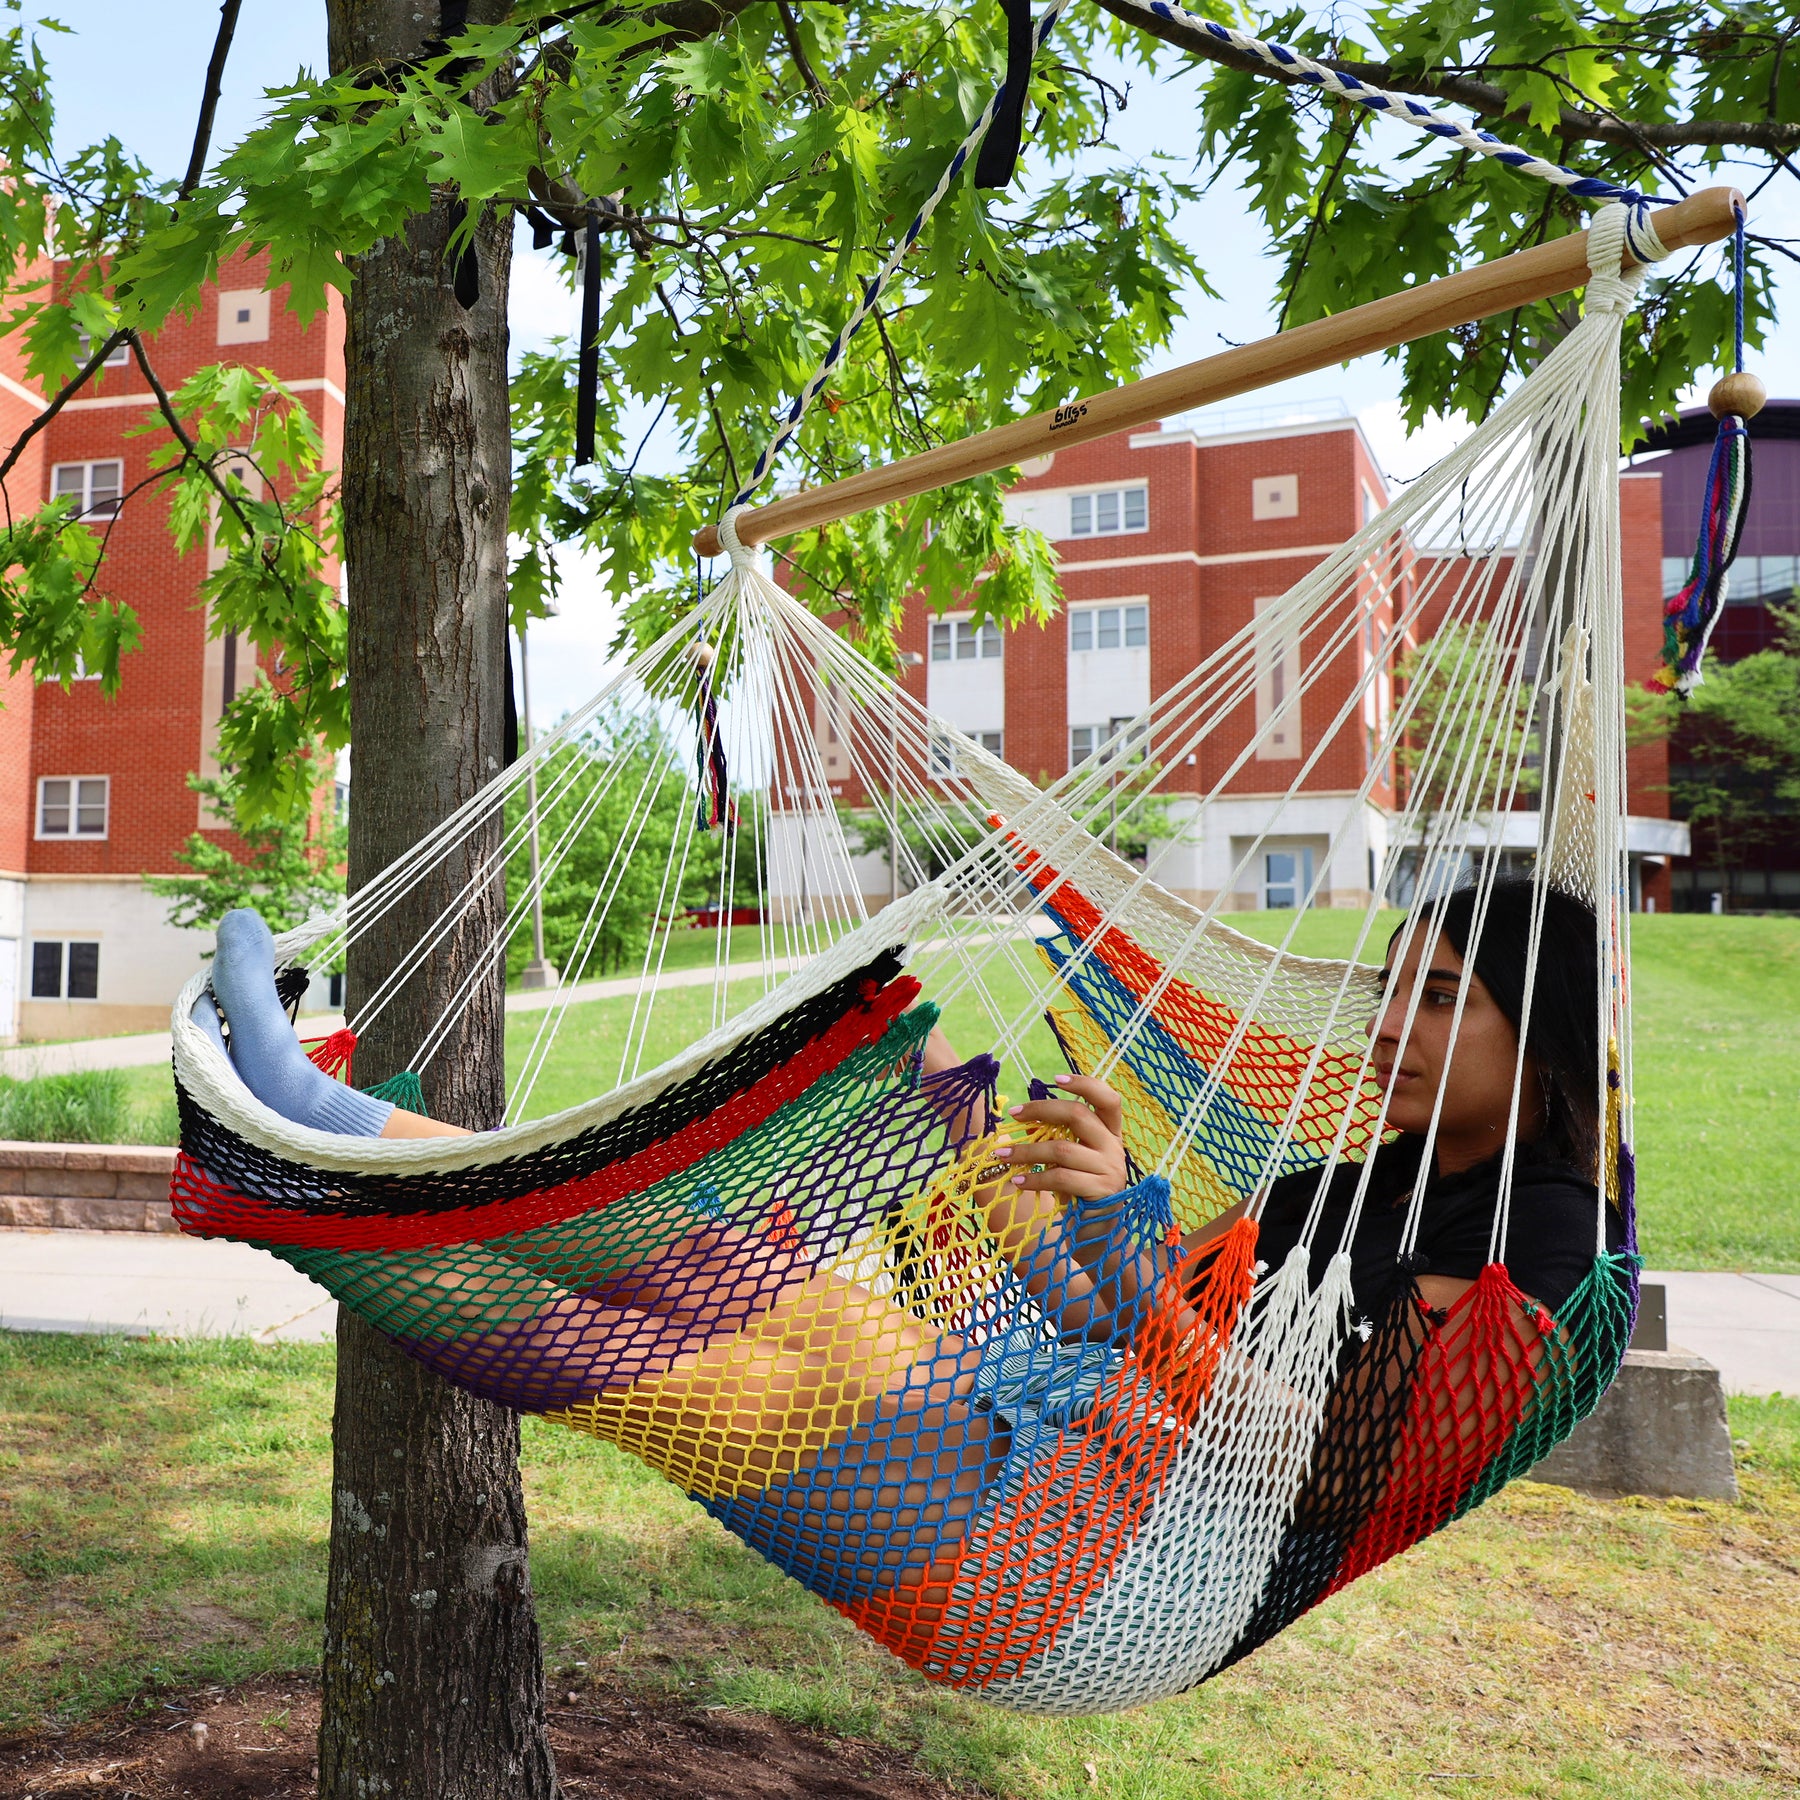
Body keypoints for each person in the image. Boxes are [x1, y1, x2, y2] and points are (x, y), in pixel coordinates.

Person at [194, 877, 1620, 1630]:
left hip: (1104, 1569)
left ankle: (298, 1174)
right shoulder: (1342, 1187)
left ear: (1541, 1037)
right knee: (703, 1268)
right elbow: (1132, 1322)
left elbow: (1299, 1462)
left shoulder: (1547, 1242)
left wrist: (1122, 1239)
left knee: (646, 1373)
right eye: (1387, 992)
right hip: (1048, 1426)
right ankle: (317, 1108)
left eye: (1438, 1001)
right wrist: (1039, 1205)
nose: (1381, 1029)